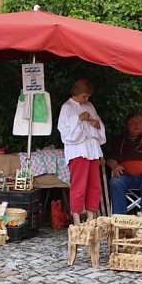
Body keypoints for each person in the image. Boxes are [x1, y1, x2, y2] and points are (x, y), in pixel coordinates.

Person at [58, 79, 106, 226]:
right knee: (79, 185)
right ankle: (77, 219)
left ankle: (91, 216)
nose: (86, 99)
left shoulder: (89, 105)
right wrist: (78, 119)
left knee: (94, 184)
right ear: (76, 93)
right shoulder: (66, 108)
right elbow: (65, 133)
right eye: (84, 96)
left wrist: (97, 125)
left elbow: (98, 125)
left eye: (88, 96)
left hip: (92, 150)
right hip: (78, 151)